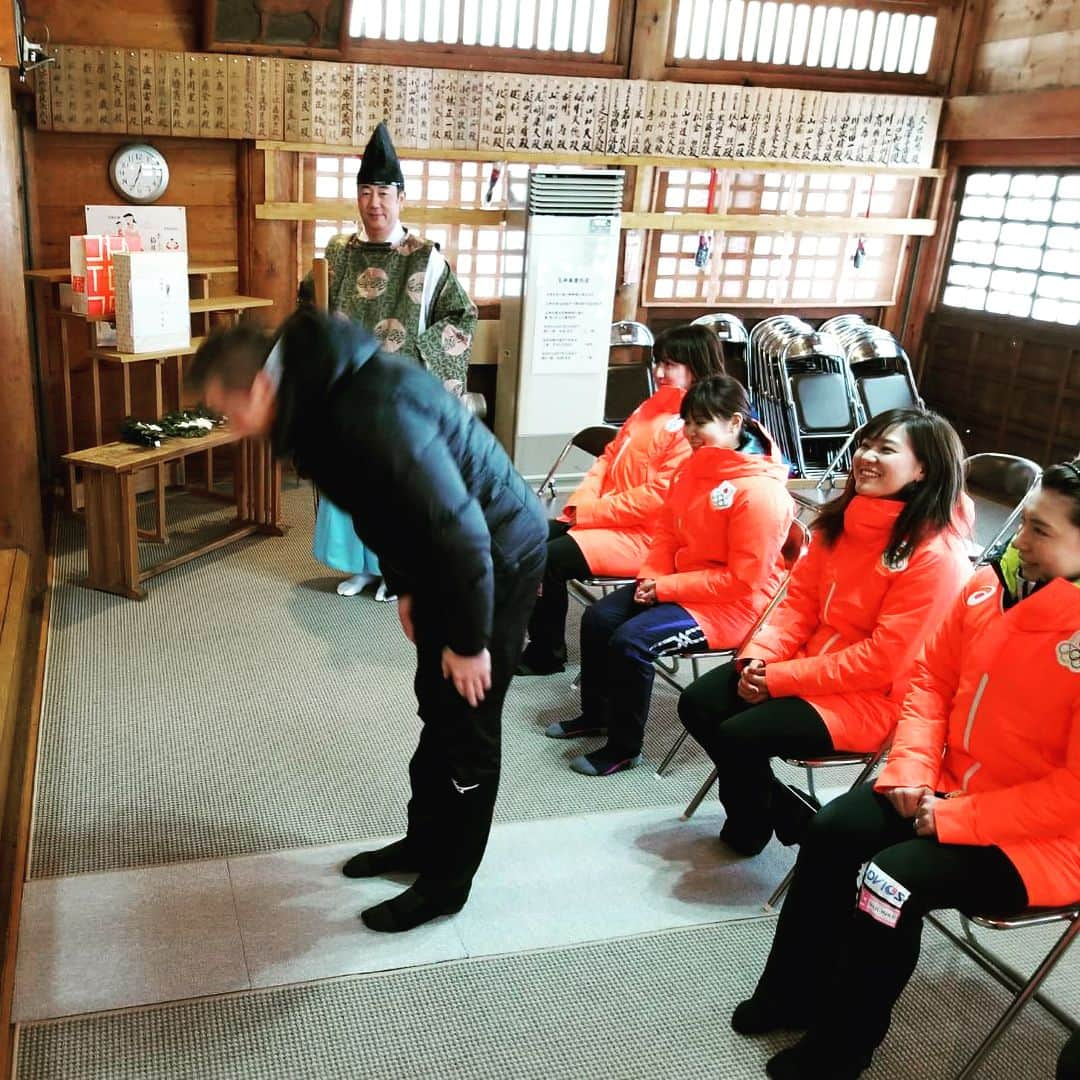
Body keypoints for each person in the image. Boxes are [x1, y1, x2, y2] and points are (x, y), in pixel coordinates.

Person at [187, 309, 546, 934]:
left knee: (467, 725)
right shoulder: (320, 399)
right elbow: (384, 511)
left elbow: (461, 536)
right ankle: (422, 844)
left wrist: (466, 642)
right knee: (435, 705)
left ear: (261, 388)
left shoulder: (366, 411)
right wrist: (405, 587)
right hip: (444, 560)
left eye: (228, 409)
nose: (230, 427)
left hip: (494, 555)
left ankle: (445, 884)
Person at [731, 461, 1080, 1079]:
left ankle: (845, 1043)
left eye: (1042, 531)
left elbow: (1072, 795)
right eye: (1025, 522)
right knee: (833, 832)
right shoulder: (988, 587)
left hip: (1046, 837)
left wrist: (955, 817)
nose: (1020, 539)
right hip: (944, 784)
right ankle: (794, 990)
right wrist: (912, 770)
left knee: (890, 881)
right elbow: (930, 684)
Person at [679, 408, 973, 856]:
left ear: (922, 470)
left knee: (742, 734)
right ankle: (788, 812)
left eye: (886, 450)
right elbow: (797, 603)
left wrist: (777, 680)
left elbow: (881, 661)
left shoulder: (936, 555)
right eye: (866, 445)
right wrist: (759, 659)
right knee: (699, 703)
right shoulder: (843, 520)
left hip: (874, 698)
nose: (866, 457)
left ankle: (753, 824)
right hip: (808, 667)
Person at [545, 375, 795, 776]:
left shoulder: (760, 493)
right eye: (689, 422)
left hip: (731, 606)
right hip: (680, 583)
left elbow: (742, 581)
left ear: (734, 423)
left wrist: (664, 586)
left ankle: (625, 748)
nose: (692, 432)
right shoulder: (695, 468)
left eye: (702, 422)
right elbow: (667, 532)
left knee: (631, 641)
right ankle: (597, 714)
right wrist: (651, 577)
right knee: (599, 619)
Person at [304, 121, 478, 600]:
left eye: (384, 191)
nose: (374, 202)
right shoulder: (338, 253)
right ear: (356, 198)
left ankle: (396, 571)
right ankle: (357, 566)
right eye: (365, 191)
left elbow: (461, 315)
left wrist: (416, 358)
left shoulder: (426, 259)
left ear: (401, 197)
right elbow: (309, 308)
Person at [517, 324, 727, 676]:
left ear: (696, 365)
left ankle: (547, 653)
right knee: (526, 539)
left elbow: (659, 497)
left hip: (645, 537)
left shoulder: (695, 425)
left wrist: (592, 513)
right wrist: (582, 503)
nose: (659, 372)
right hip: (608, 521)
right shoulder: (653, 405)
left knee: (548, 558)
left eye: (670, 365)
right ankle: (529, 638)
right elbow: (609, 456)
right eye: (658, 363)